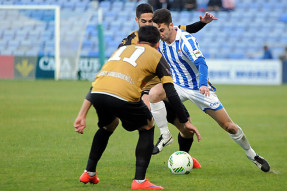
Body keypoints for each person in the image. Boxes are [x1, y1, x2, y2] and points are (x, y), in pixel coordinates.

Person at [74, 3, 216, 158]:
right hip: (145, 91)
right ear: (137, 21)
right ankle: (144, 154)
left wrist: (203, 23)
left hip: (166, 87)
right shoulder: (131, 40)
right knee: (147, 121)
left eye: (151, 21)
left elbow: (187, 29)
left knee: (187, 128)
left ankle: (183, 158)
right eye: (144, 21)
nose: (149, 25)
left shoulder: (163, 32)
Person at [74, 25, 201, 189]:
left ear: (138, 40)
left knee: (109, 125)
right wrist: (185, 120)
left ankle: (89, 173)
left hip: (98, 93)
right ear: (157, 43)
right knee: (147, 125)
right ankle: (140, 181)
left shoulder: (120, 51)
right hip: (122, 95)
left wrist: (82, 114)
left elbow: (97, 82)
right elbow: (170, 91)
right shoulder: (156, 55)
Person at [149, 8, 271, 172]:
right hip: (176, 85)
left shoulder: (186, 41)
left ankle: (252, 154)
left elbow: (201, 63)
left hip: (198, 88)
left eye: (162, 30)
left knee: (229, 126)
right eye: (157, 31)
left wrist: (202, 84)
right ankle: (165, 135)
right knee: (153, 94)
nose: (160, 34)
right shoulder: (160, 40)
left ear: (171, 26)